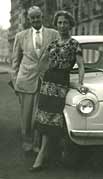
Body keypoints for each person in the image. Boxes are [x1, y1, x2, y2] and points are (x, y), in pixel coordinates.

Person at [29, 10, 85, 172]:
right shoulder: (52, 44)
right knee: (44, 118)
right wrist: (41, 77)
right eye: (59, 22)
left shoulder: (74, 44)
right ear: (56, 24)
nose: (62, 25)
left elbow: (81, 66)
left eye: (65, 22)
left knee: (54, 119)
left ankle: (43, 155)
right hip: (48, 83)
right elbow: (42, 64)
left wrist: (79, 83)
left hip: (61, 83)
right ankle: (45, 153)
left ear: (70, 25)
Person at [11, 6, 60, 154]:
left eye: (38, 16)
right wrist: (15, 82)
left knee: (41, 116)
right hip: (26, 81)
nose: (36, 20)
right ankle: (27, 142)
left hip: (46, 80)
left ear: (42, 16)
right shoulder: (21, 36)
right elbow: (15, 61)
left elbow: (57, 56)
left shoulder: (53, 34)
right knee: (26, 116)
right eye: (32, 18)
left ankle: (38, 144)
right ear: (29, 19)